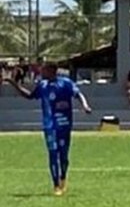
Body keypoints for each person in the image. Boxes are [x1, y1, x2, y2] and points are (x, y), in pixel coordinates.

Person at [9, 60, 91, 195]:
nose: (41, 72)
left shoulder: (65, 83)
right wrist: (15, 85)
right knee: (53, 154)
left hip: (64, 124)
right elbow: (30, 96)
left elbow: (78, 94)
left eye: (44, 70)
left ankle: (63, 177)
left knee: (63, 156)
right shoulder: (43, 85)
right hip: (49, 126)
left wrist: (85, 105)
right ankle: (56, 185)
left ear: (51, 71)